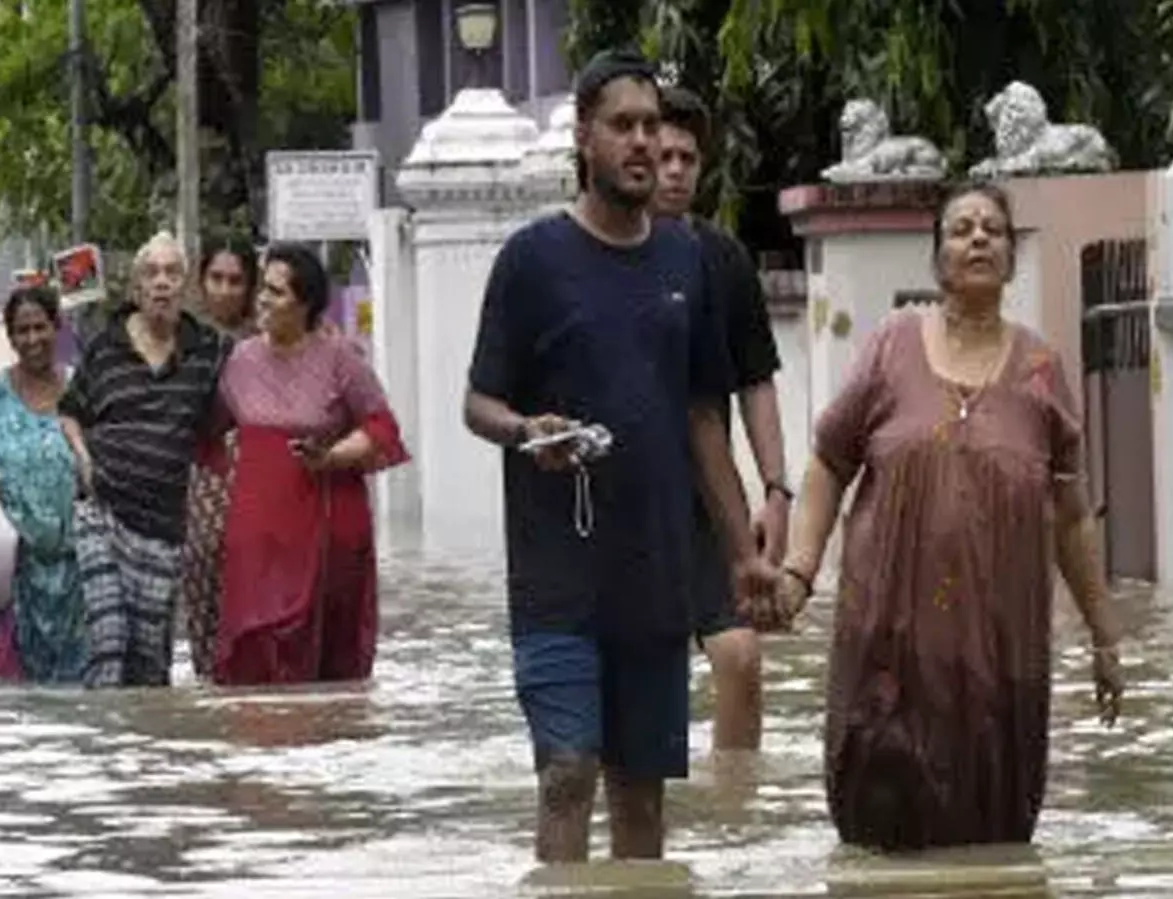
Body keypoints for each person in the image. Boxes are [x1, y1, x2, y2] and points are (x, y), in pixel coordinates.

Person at [463, 49, 769, 864]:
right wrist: (528, 431)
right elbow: (477, 403)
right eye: (623, 127)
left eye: (651, 126)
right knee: (567, 772)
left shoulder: (687, 262)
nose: (641, 144)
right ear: (585, 138)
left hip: (658, 577)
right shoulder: (531, 260)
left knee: (642, 792)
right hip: (556, 582)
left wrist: (744, 555)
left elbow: (708, 417)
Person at [768, 182, 1127, 851]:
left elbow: (1072, 518)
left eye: (993, 228)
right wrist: (799, 567)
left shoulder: (1042, 372)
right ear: (937, 259)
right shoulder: (890, 348)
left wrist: (1106, 639)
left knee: (992, 835)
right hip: (888, 648)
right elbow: (827, 461)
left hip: (1001, 656)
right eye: (962, 228)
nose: (979, 238)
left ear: (1012, 260)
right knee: (879, 830)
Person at [652, 84, 789, 754]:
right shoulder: (587, 258)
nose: (675, 169)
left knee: (739, 656)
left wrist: (776, 489)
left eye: (688, 158)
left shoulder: (723, 259)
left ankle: (737, 810)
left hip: (711, 504)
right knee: (639, 680)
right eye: (665, 154)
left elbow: (753, 381)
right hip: (621, 506)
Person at [215, 242, 409, 685]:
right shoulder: (239, 361)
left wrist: (332, 456)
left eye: (276, 292)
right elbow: (213, 434)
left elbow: (383, 428)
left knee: (324, 664)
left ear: (305, 305)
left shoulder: (340, 360)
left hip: (326, 535)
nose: (262, 299)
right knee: (252, 660)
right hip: (256, 542)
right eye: (262, 288)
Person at [59, 231, 231, 689]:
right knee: (109, 637)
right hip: (102, 513)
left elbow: (241, 402)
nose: (162, 283)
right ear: (136, 287)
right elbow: (70, 414)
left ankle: (144, 750)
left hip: (163, 528)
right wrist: (83, 460)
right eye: (151, 274)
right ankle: (103, 750)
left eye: (172, 273)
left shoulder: (209, 352)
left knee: (150, 663)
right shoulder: (105, 347)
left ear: (187, 287)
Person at [0, 285, 84, 684]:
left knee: (78, 688)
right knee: (12, 687)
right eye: (21, 331)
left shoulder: (79, 389)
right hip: (14, 566)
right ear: (10, 338)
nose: (32, 339)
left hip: (76, 568)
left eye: (40, 328)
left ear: (57, 329)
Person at [179, 236, 260, 681]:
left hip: (257, 480)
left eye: (235, 281)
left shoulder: (269, 341)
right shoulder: (183, 342)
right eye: (217, 279)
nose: (226, 290)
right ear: (202, 281)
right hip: (202, 483)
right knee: (205, 578)